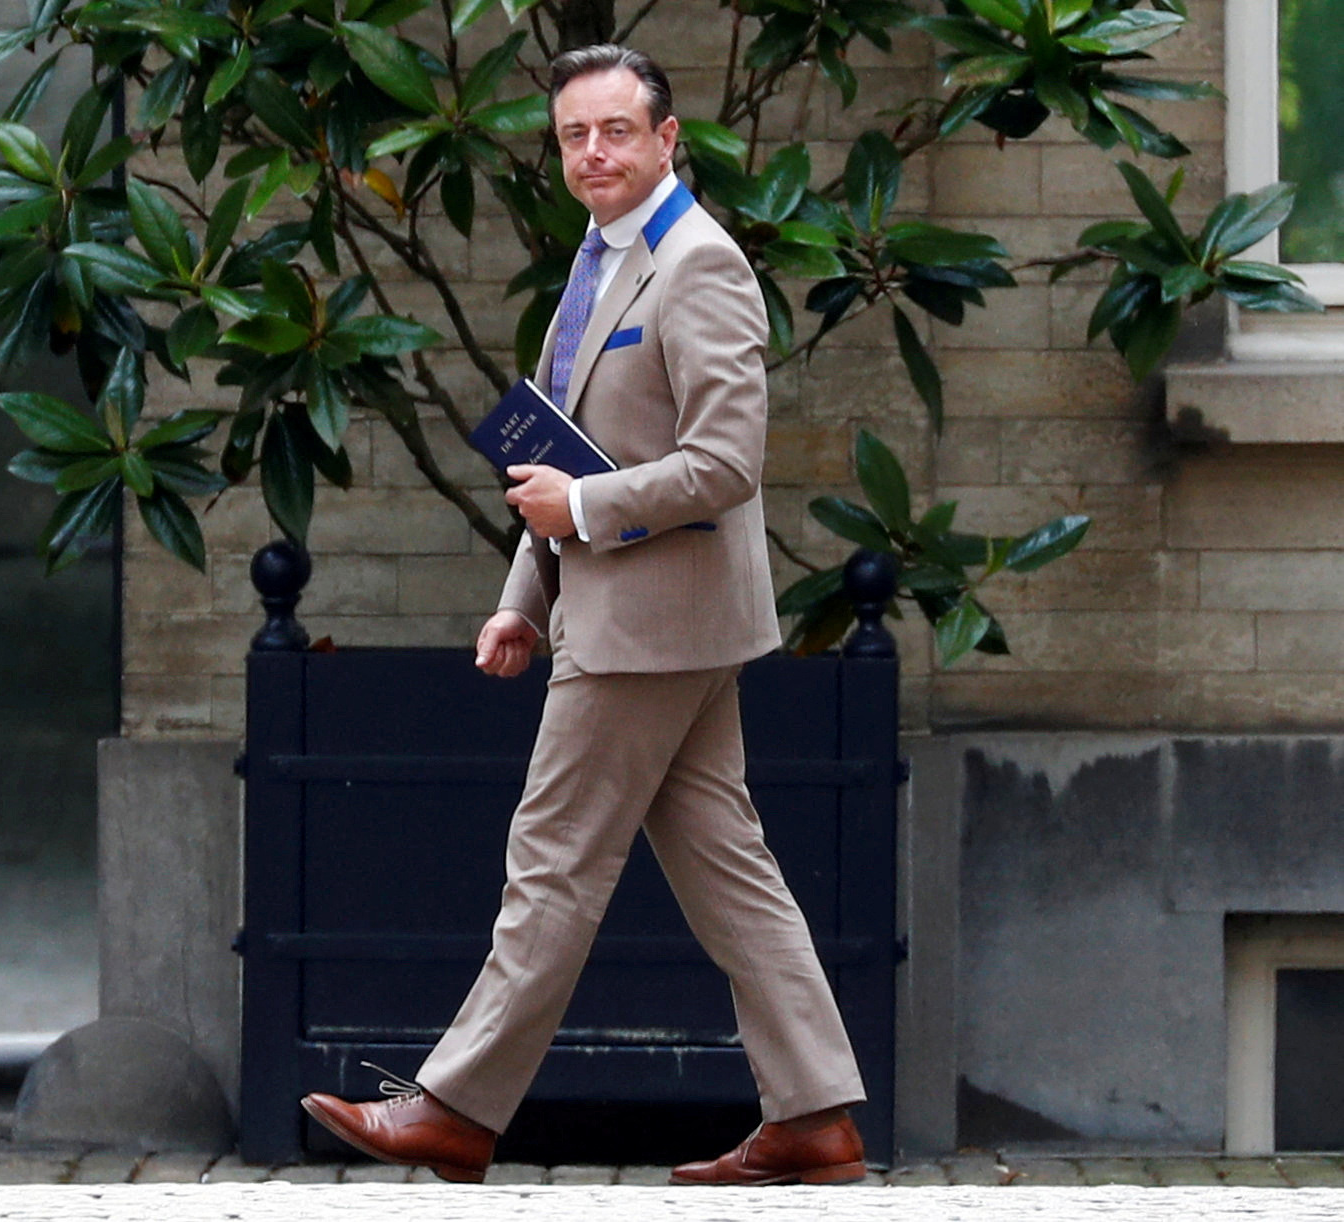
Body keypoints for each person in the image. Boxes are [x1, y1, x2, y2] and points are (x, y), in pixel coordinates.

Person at [301, 43, 867, 1187]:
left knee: (551, 861)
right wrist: (524, 596)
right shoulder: (607, 259)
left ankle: (455, 1107)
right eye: (572, 135)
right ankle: (814, 1116)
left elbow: (725, 461)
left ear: (668, 141)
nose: (593, 152)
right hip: (646, 614)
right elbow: (562, 458)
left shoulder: (697, 263)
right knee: (729, 870)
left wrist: (585, 511)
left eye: (616, 131)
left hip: (651, 624)